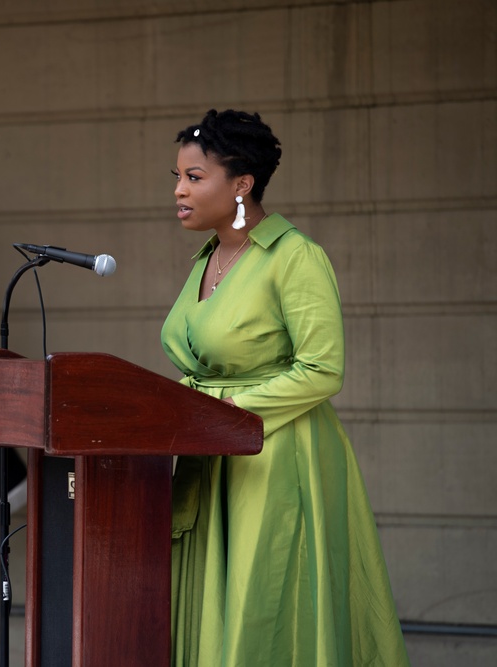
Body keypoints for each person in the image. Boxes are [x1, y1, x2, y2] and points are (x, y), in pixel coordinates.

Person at [161, 109, 410, 666]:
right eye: (176, 177)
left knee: (264, 611)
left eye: (194, 177)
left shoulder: (295, 257)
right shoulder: (210, 257)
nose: (179, 190)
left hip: (275, 458)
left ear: (242, 185)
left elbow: (323, 369)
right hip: (212, 454)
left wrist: (224, 411)